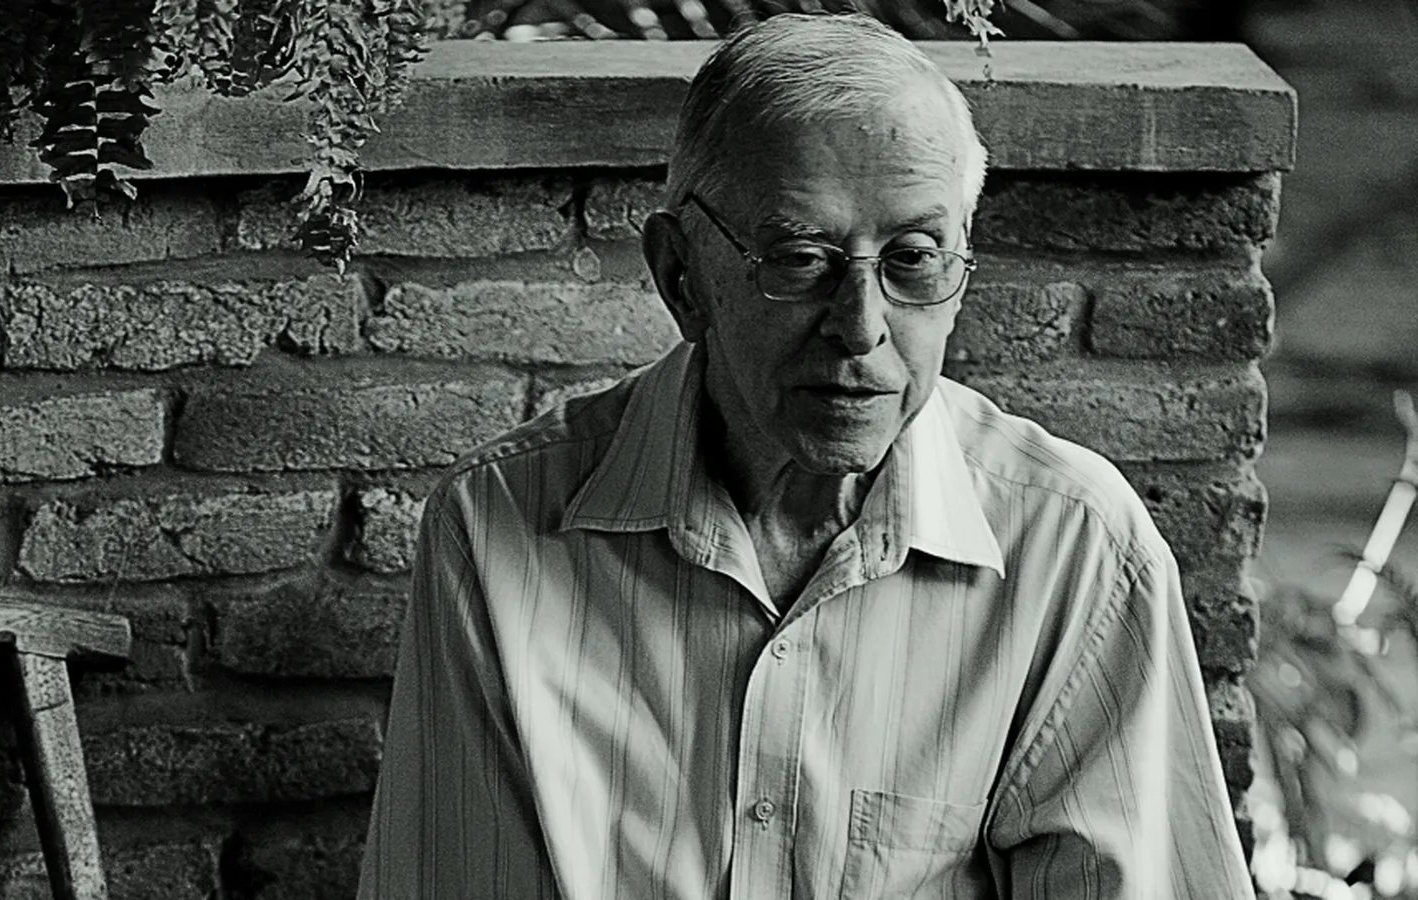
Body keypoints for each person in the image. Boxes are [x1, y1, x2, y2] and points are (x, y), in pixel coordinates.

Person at [357, 13, 1253, 899]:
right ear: (681, 277)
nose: (861, 327)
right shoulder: (497, 527)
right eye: (799, 259)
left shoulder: (1076, 548)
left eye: (913, 258)